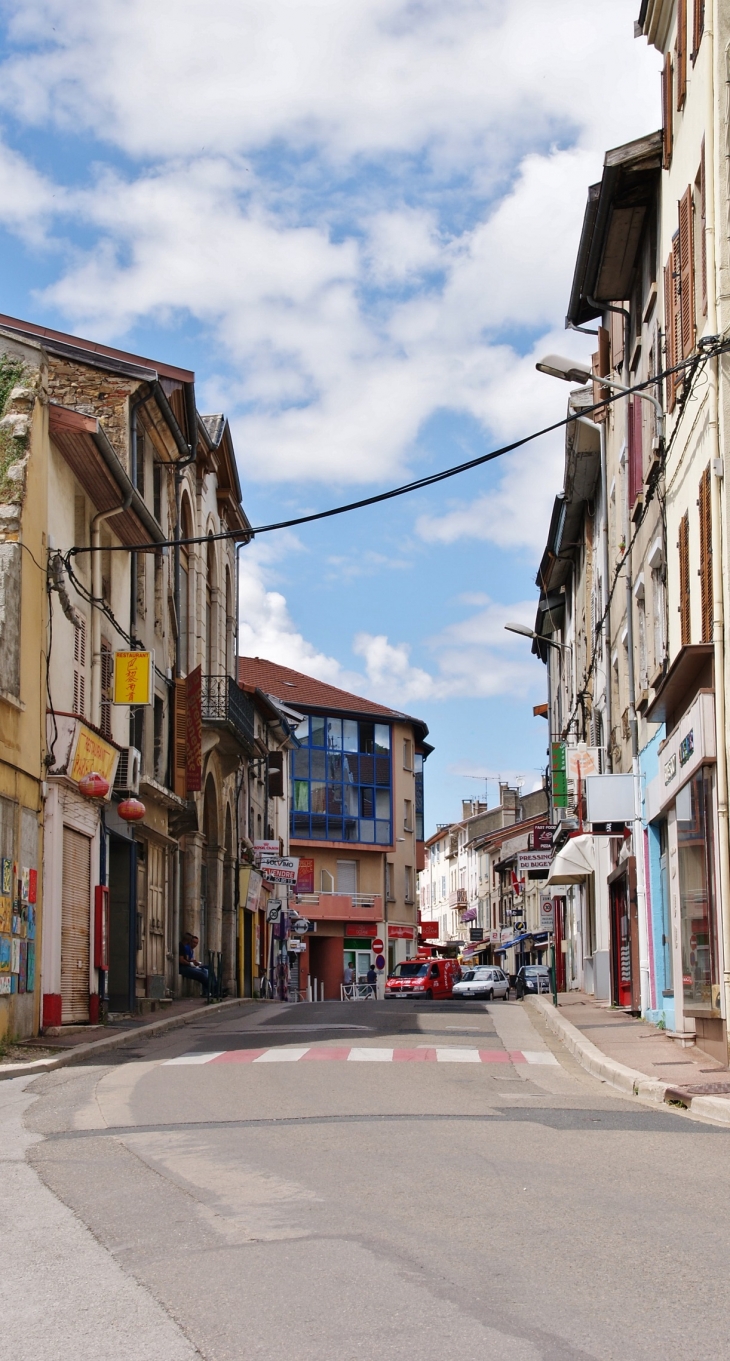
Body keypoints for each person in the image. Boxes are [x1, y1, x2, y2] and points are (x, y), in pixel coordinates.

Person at [179, 933, 214, 998]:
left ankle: (215, 988)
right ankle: (213, 990)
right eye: (192, 941)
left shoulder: (186, 947)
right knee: (203, 973)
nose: (194, 944)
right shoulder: (183, 947)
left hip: (188, 966)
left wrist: (193, 962)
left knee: (206, 970)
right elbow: (182, 960)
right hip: (183, 968)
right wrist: (191, 963)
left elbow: (186, 959)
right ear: (189, 941)